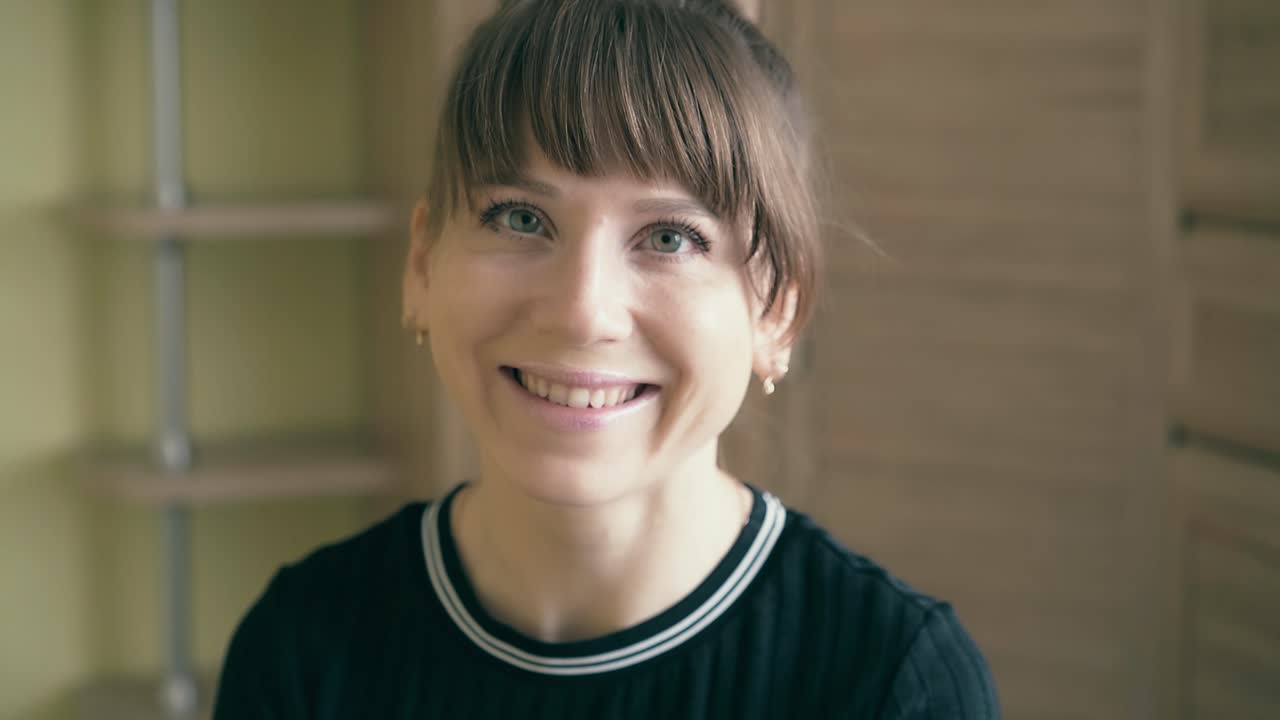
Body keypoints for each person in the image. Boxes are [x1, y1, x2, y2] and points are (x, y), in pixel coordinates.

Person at [212, 0, 999, 717]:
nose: (583, 311)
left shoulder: (894, 678)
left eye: (670, 238)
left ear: (777, 310)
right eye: (520, 217)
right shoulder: (304, 644)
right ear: (422, 265)